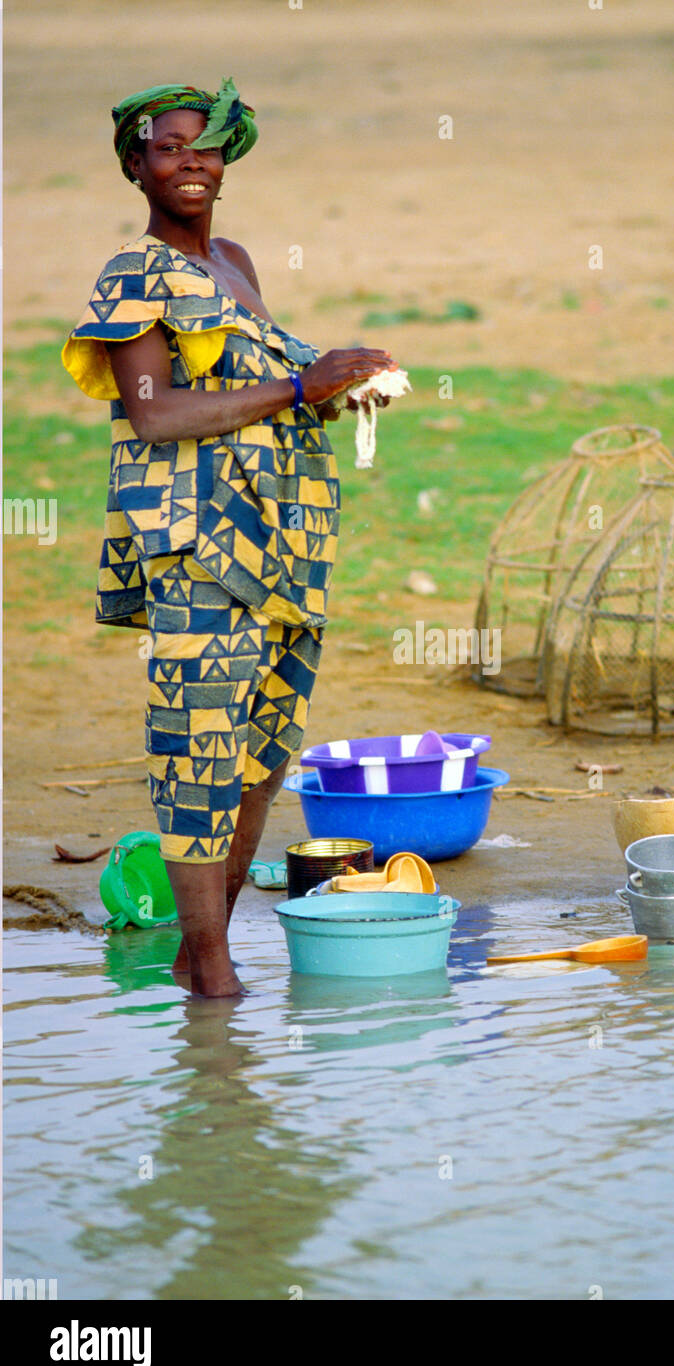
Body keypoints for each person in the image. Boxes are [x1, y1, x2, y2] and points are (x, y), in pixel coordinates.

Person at [63, 79, 395, 996]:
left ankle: (203, 950)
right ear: (136, 167)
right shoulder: (132, 277)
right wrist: (299, 388)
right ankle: (211, 972)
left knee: (260, 758)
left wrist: (335, 388)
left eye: (204, 148)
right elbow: (155, 416)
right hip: (201, 551)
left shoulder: (238, 260)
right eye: (168, 149)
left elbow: (246, 385)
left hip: (284, 547)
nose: (190, 164)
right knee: (197, 751)